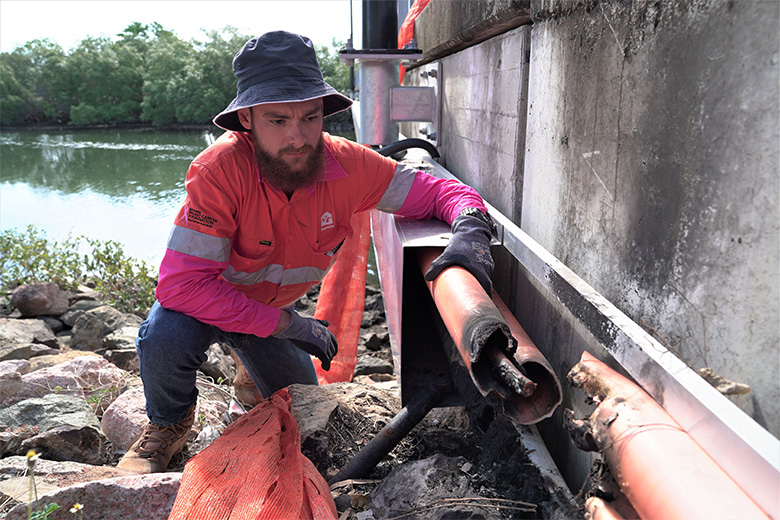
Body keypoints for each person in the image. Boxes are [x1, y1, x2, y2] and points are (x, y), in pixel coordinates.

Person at [117, 30, 495, 474]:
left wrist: (471, 224)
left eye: (310, 118)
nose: (299, 138)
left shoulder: (351, 166)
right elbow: (182, 287)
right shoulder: (217, 172)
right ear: (247, 122)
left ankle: (250, 378)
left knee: (300, 412)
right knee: (164, 335)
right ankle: (168, 425)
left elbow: (439, 193)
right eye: (278, 121)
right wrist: (290, 324)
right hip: (215, 306)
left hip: (270, 316)